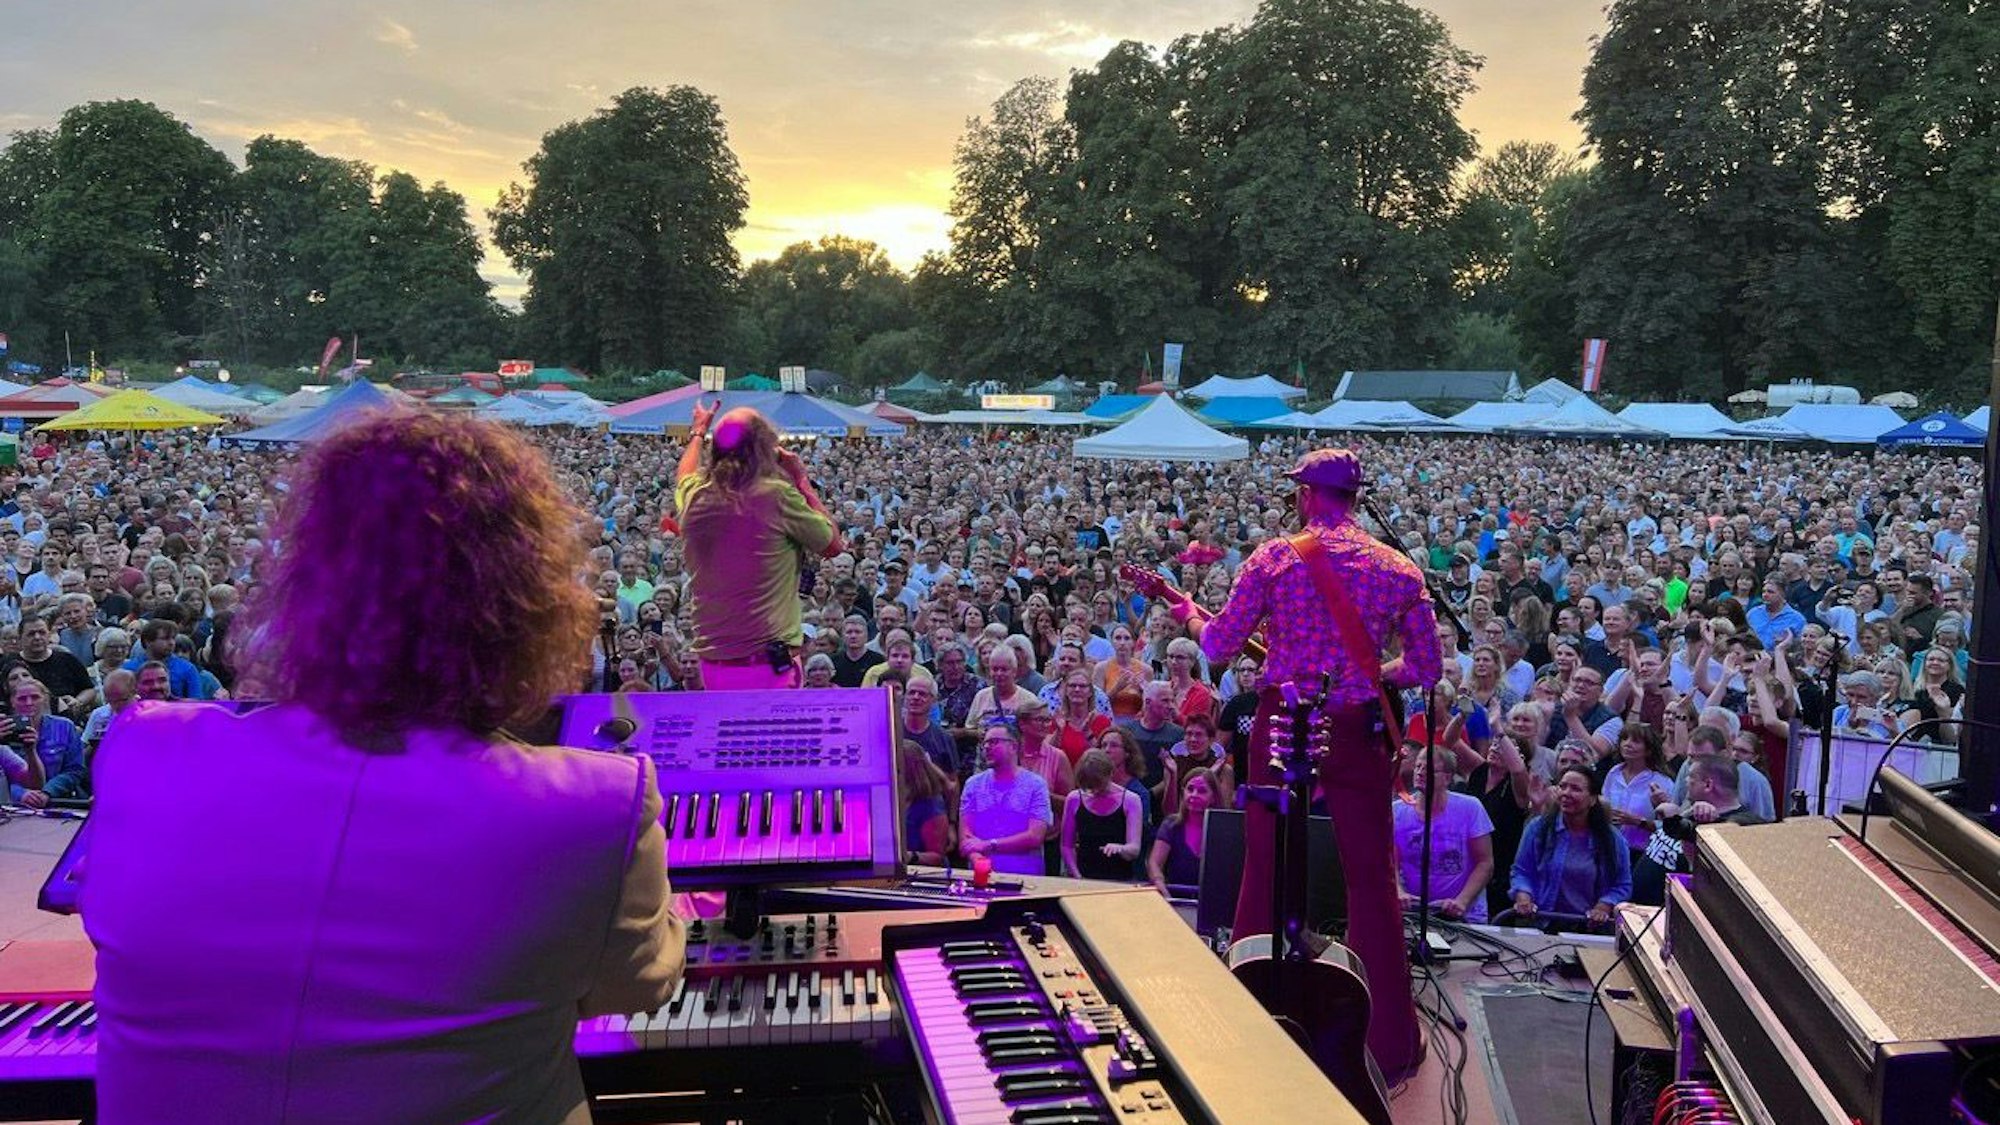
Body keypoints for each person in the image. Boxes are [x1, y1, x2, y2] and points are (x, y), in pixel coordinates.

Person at [81, 412, 685, 1125]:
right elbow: (635, 983)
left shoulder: (146, 751)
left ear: (305, 574)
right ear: (528, 605)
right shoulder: (593, 807)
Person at [1166, 447, 1441, 1079]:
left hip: (1283, 720)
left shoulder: (1274, 557)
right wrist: (1373, 672)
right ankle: (1389, 1043)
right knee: (1371, 876)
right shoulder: (1398, 569)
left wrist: (1189, 609)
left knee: (1264, 863)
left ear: (1307, 495)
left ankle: (1247, 1026)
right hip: (1357, 726)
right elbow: (1424, 668)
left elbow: (1216, 643)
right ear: (1355, 498)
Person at [676, 403, 842, 688]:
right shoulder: (775, 496)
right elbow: (832, 545)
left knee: (726, 731)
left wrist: (697, 432)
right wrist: (801, 479)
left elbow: (683, 477)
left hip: (713, 664)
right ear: (765, 449)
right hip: (768, 666)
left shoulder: (695, 496)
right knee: (771, 733)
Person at [1632, 756, 1768, 905]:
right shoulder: (1692, 811)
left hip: (1672, 915)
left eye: (1690, 777)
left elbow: (1703, 877)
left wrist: (1710, 824)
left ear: (1708, 785)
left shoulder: (1739, 825)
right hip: (1637, 910)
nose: (1685, 781)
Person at [1509, 767, 1633, 929]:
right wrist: (1524, 896)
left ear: (1593, 799)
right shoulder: (1538, 828)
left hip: (1586, 929)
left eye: (1575, 789)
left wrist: (1603, 906)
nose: (1566, 793)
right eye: (1563, 786)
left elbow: (1622, 885)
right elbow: (1522, 871)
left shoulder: (1612, 839)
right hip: (1540, 922)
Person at [1393, 747, 1496, 921]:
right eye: (1418, 767)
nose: (1420, 773)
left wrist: (1462, 901)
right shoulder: (1397, 811)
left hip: (1463, 913)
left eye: (1429, 769)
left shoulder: (1470, 808)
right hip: (1414, 912)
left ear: (1447, 778)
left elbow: (1485, 863)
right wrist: (1399, 891)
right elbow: (1390, 862)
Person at [958, 717, 1052, 876]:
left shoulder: (1036, 785)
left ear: (1014, 746)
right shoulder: (973, 784)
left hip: (1025, 879)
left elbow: (1035, 836)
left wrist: (988, 845)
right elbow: (966, 834)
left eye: (994, 742)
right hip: (982, 877)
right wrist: (979, 860)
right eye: (984, 743)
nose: (986, 747)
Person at [1060, 749, 1145, 881]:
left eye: (1099, 785)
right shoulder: (1074, 799)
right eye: (1090, 787)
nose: (1095, 791)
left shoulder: (1131, 800)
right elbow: (1067, 846)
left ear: (1111, 774)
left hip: (1119, 880)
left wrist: (1120, 848)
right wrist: (1076, 875)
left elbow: (1134, 849)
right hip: (1083, 878)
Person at [6, 676, 85, 806]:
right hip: (15, 804)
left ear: (45, 699)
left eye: (35, 697)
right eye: (22, 698)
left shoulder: (64, 726)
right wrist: (20, 793)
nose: (29, 702)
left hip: (60, 801)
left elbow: (75, 770)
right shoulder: (4, 731)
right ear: (12, 702)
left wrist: (48, 792)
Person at [1148, 766, 1228, 896]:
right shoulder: (1171, 824)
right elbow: (1154, 863)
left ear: (1214, 797)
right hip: (1176, 896)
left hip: (1212, 900)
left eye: (1202, 791)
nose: (1194, 795)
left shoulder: (1224, 829)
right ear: (1182, 792)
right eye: (1190, 789)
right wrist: (1158, 882)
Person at [898, 741, 956, 867]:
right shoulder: (896, 795)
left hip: (924, 875)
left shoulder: (931, 806)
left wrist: (908, 856)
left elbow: (937, 857)